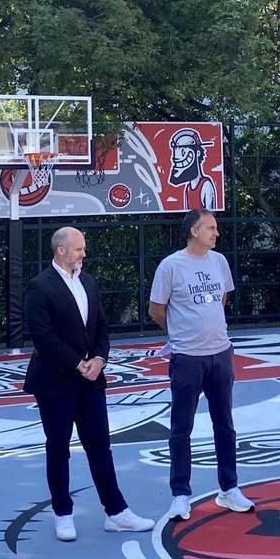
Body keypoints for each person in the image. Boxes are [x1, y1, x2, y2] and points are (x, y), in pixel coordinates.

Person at [25, 226, 154, 541]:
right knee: (58, 448)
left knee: (100, 446)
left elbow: (101, 328)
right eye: (79, 248)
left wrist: (99, 359)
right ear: (61, 250)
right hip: (55, 382)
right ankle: (62, 514)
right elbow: (42, 336)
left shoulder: (89, 283)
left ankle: (117, 512)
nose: (84, 254)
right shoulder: (39, 287)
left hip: (91, 381)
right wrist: (76, 363)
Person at [148, 208, 254, 519]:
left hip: (221, 354)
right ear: (194, 231)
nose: (216, 232)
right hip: (186, 358)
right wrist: (182, 332)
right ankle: (180, 494)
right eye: (210, 227)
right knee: (182, 428)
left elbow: (221, 299)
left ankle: (229, 489)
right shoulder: (170, 266)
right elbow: (156, 309)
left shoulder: (219, 262)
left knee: (225, 424)